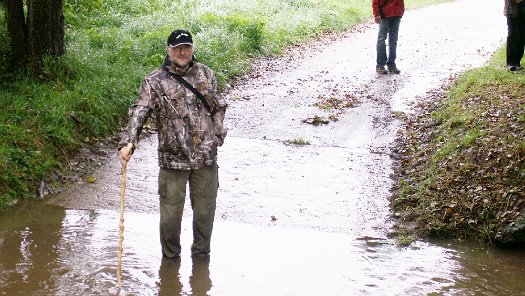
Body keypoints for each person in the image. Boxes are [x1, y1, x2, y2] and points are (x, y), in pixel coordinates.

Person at [118, 29, 228, 258]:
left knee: (205, 215)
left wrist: (217, 133)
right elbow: (140, 111)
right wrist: (129, 142)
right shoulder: (154, 81)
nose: (182, 51)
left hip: (205, 159)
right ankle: (169, 265)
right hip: (172, 160)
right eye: (177, 47)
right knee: (170, 218)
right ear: (168, 50)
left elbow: (219, 106)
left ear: (192, 49)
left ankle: (201, 260)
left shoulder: (206, 75)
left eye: (186, 47)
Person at [372, 0, 405, 74]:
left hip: (397, 13)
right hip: (384, 14)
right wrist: (376, 14)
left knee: (393, 40)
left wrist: (401, 10)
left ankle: (391, 64)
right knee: (381, 39)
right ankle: (380, 65)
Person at [504, 0, 525, 71]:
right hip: (512, 11)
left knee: (521, 37)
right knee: (513, 35)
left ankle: (517, 63)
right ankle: (512, 63)